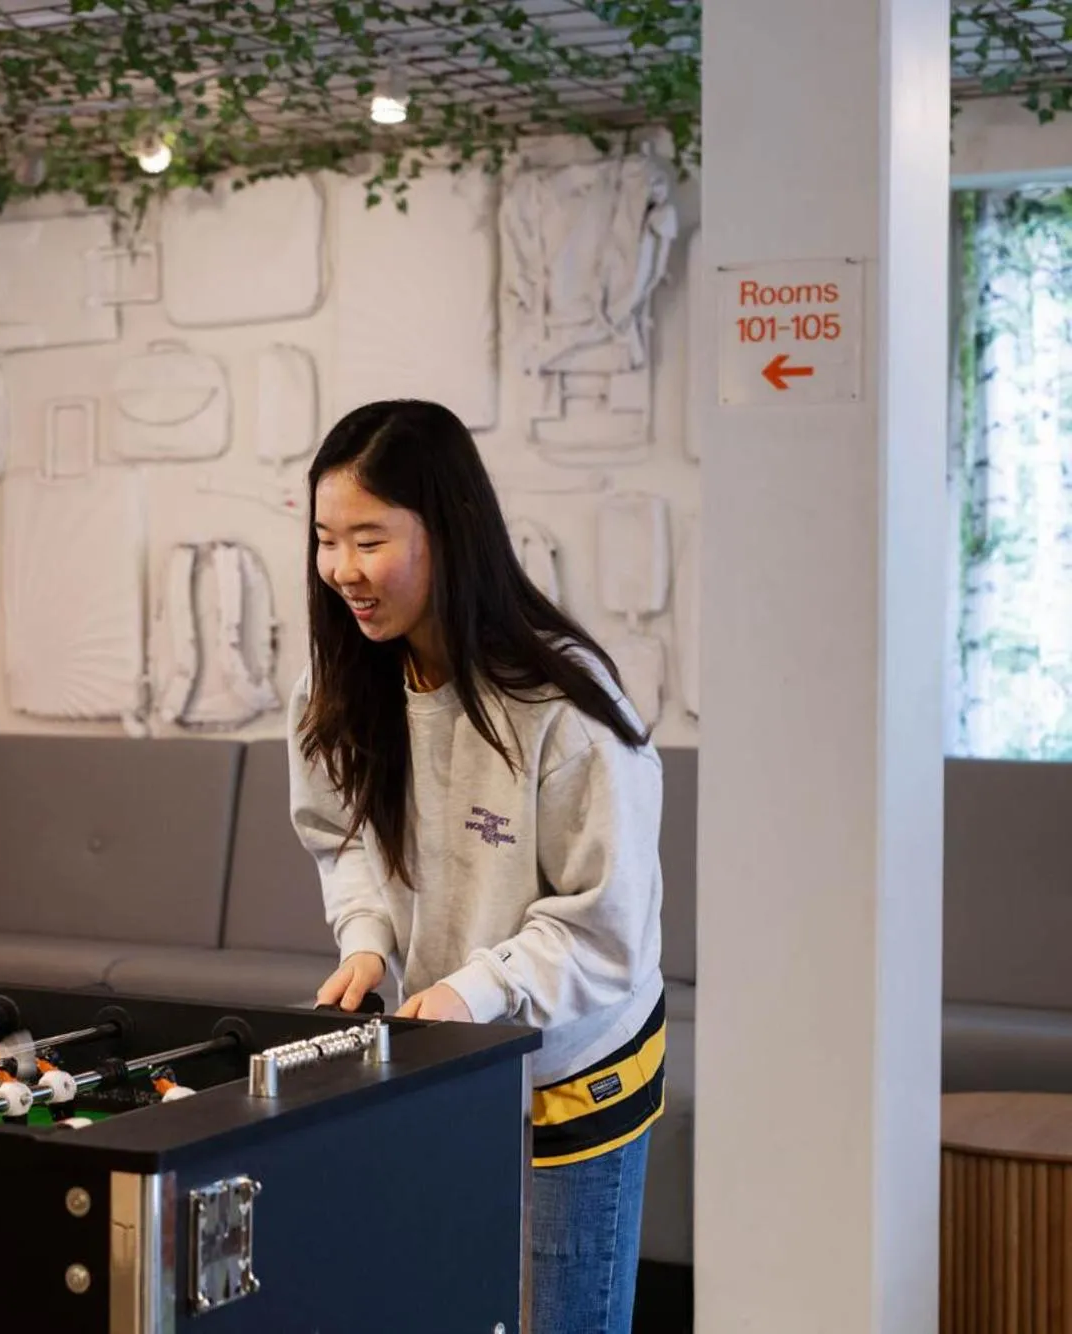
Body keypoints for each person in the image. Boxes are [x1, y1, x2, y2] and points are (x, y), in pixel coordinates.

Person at [293, 400, 664, 1333]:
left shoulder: (561, 706)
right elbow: (341, 833)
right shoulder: (342, 677)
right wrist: (369, 940)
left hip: (569, 1070)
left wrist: (478, 989)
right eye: (325, 540)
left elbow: (603, 925)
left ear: (445, 531)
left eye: (368, 539)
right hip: (451, 1055)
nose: (341, 571)